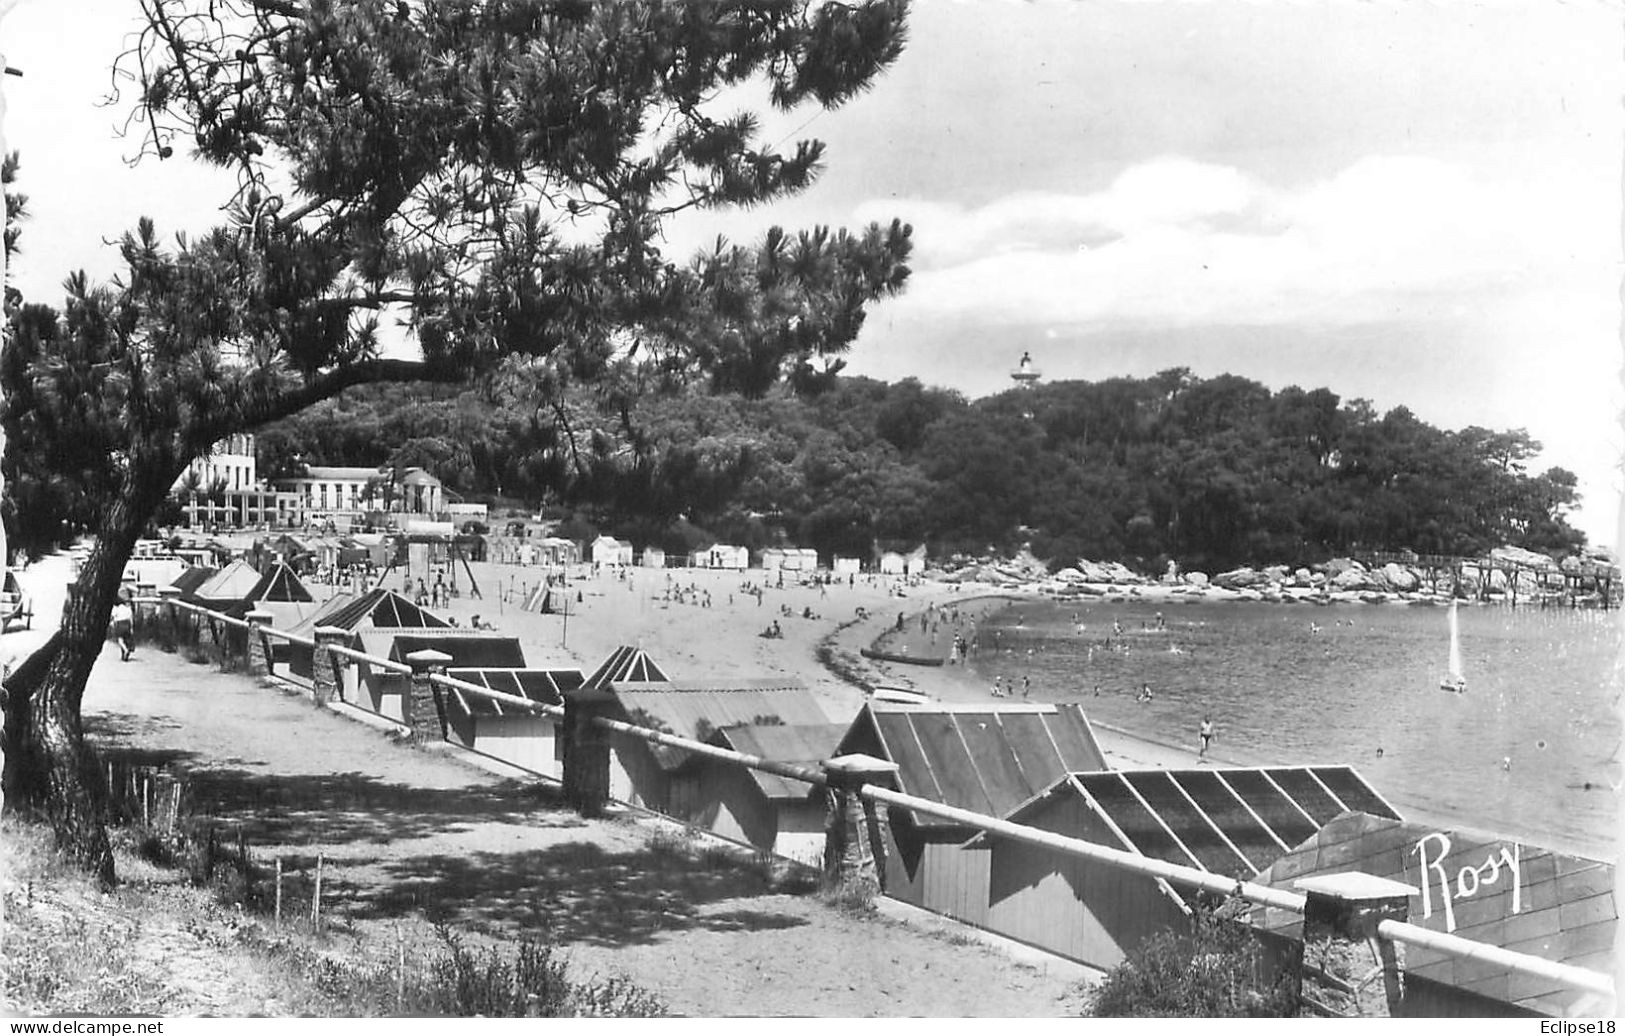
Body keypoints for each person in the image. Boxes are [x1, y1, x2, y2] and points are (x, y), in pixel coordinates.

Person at [111, 598, 135, 662]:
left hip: (120, 624)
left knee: (120, 640)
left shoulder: (118, 608)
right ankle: (123, 655)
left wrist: (113, 623)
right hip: (127, 624)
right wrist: (131, 628)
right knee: (126, 639)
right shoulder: (128, 609)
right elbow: (131, 619)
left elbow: (113, 616)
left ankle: (125, 650)